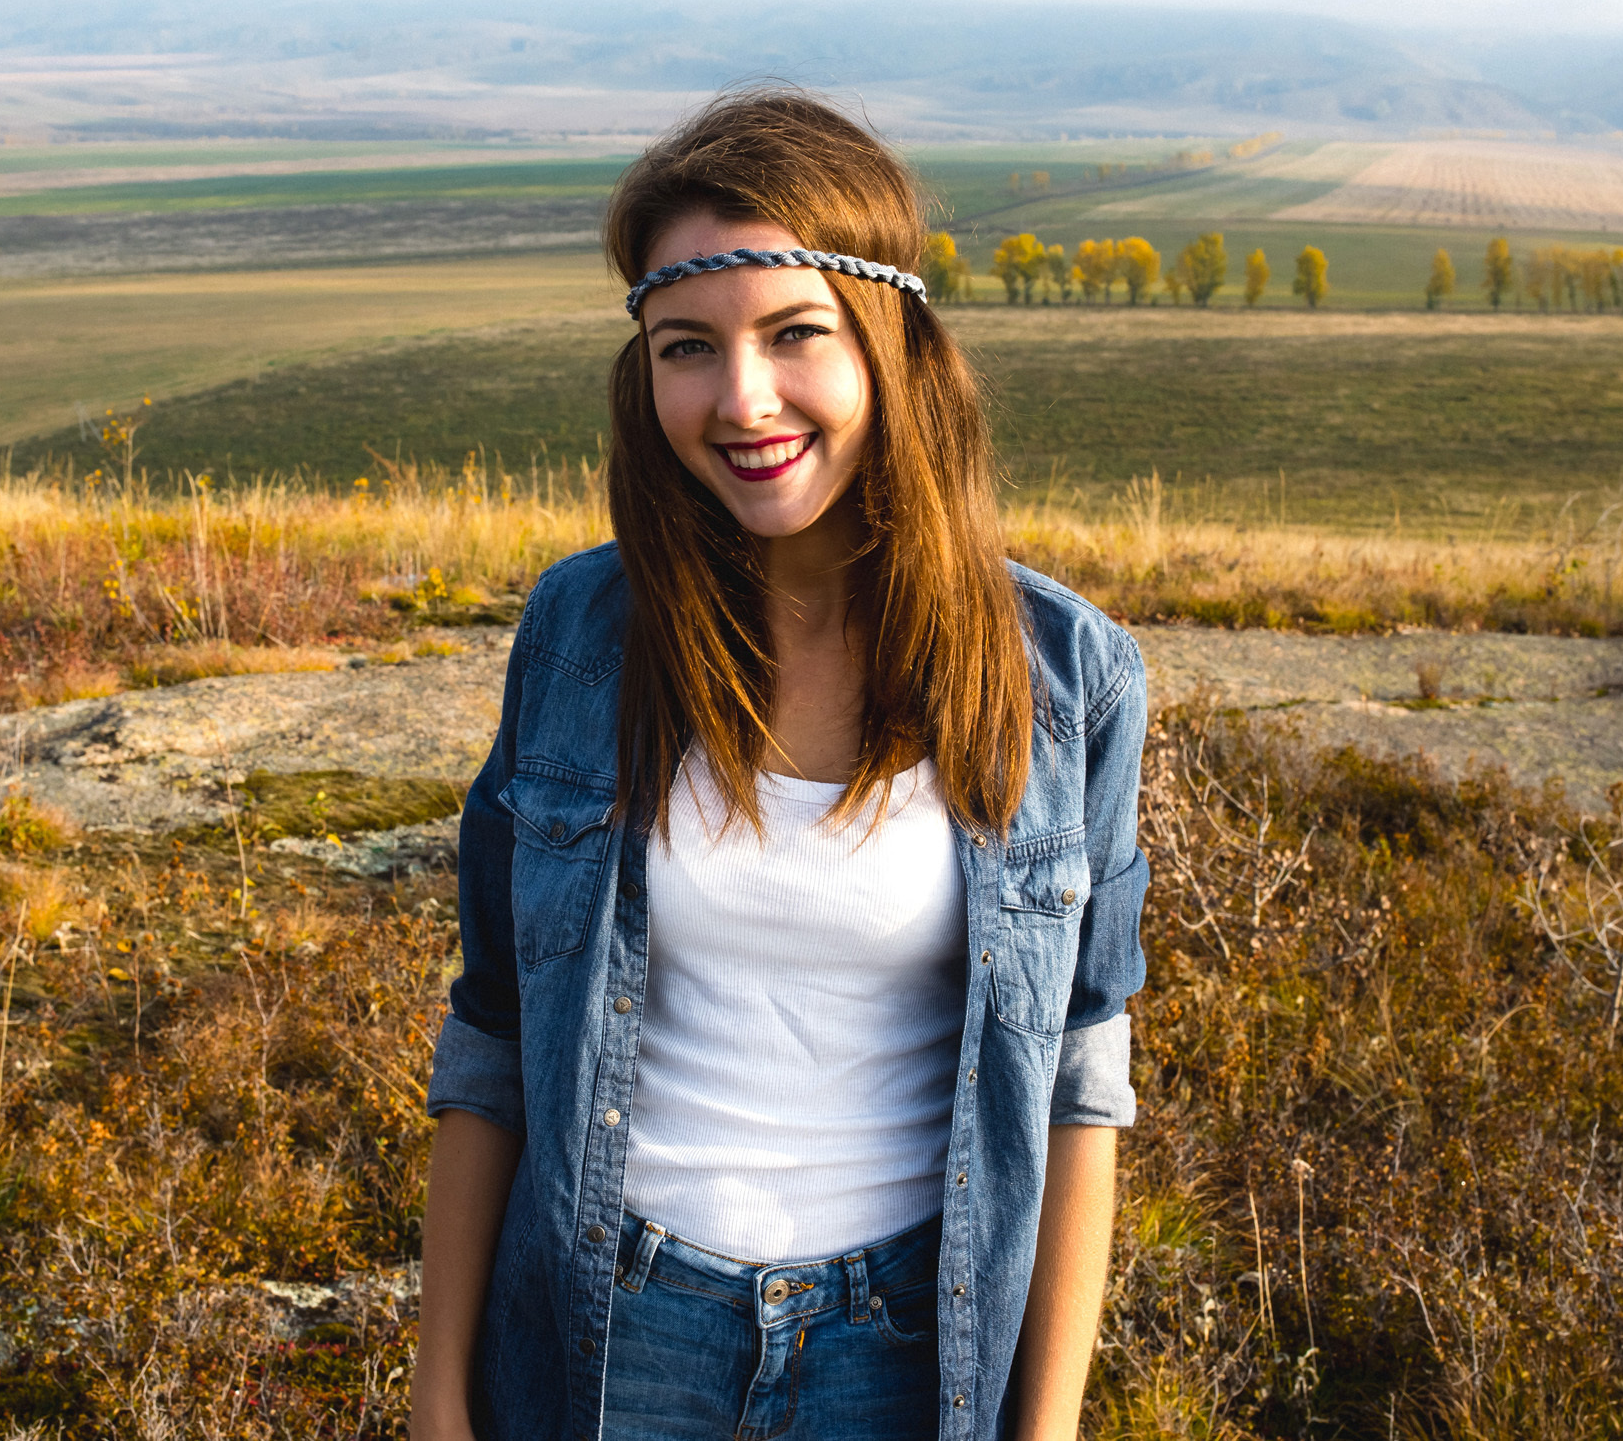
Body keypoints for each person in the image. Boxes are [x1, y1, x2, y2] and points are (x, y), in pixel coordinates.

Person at [410, 91, 1149, 1441]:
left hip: (907, 1354)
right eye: (687, 347)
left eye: (795, 333)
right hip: (613, 1335)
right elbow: (498, 1029)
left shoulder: (1065, 674)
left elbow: (1078, 1078)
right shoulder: (582, 635)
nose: (741, 399)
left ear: (891, 343)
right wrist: (437, 1392)